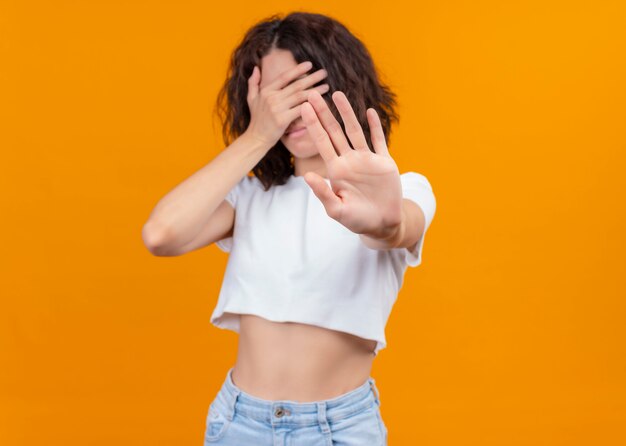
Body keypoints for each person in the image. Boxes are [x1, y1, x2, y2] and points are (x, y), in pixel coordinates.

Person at [142, 11, 436, 446]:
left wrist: (381, 222)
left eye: (305, 87)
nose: (291, 107)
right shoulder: (250, 197)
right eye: (275, 93)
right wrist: (258, 135)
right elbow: (161, 234)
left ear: (342, 84)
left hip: (341, 428)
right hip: (239, 423)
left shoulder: (400, 189)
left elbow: (396, 227)